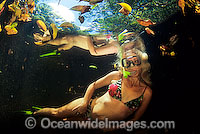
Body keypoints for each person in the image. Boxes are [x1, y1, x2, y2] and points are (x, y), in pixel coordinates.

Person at [34, 38, 152, 123]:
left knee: (63, 123)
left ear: (142, 64)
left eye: (135, 62)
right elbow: (94, 85)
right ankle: (34, 114)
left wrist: (113, 128)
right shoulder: (117, 75)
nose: (131, 66)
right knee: (56, 113)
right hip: (87, 106)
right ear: (122, 64)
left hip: (95, 124)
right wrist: (85, 103)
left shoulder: (146, 92)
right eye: (127, 62)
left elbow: (135, 119)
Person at [34, 33, 120, 56]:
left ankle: (44, 41)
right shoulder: (114, 42)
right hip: (76, 41)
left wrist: (89, 37)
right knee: (65, 41)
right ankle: (44, 40)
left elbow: (94, 52)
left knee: (65, 41)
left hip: (79, 41)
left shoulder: (115, 47)